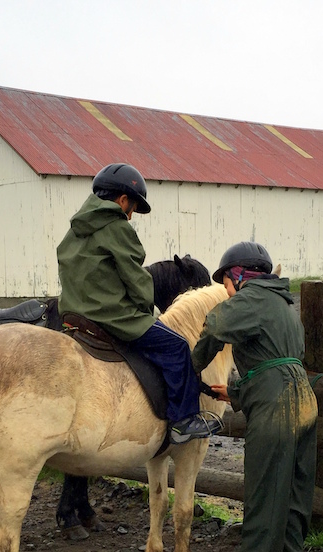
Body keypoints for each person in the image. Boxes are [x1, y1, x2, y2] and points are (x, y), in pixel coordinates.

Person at [192, 241, 318, 552]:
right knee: (294, 499)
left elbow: (215, 324)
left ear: (240, 275)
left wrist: (191, 365)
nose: (227, 291)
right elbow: (278, 365)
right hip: (304, 401)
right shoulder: (283, 305)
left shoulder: (252, 296)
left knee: (264, 500)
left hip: (277, 407)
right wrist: (240, 392)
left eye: (227, 283)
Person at [56, 162, 222, 444]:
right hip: (112, 317)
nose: (131, 216)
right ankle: (184, 420)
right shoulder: (116, 227)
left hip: (73, 314)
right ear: (122, 200)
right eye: (132, 208)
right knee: (177, 346)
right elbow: (136, 278)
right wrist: (148, 309)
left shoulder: (75, 231)